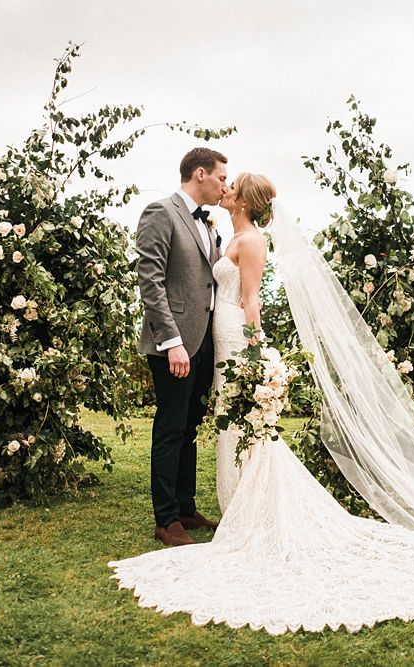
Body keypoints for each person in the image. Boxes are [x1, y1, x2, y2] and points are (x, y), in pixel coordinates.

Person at [110, 172, 414, 634]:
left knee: (247, 425)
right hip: (214, 339)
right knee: (230, 424)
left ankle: (252, 507)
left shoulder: (252, 241)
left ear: (243, 199)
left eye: (232, 184)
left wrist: (257, 350)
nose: (226, 188)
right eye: (225, 180)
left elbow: (252, 298)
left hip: (237, 335)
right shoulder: (227, 232)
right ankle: (224, 504)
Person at [136, 147, 227, 547]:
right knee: (171, 427)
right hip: (173, 344)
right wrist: (171, 342)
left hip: (205, 340)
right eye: (222, 177)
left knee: (190, 426)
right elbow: (151, 283)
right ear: (201, 174)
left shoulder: (209, 224)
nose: (225, 184)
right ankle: (166, 518)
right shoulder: (161, 212)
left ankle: (186, 507)